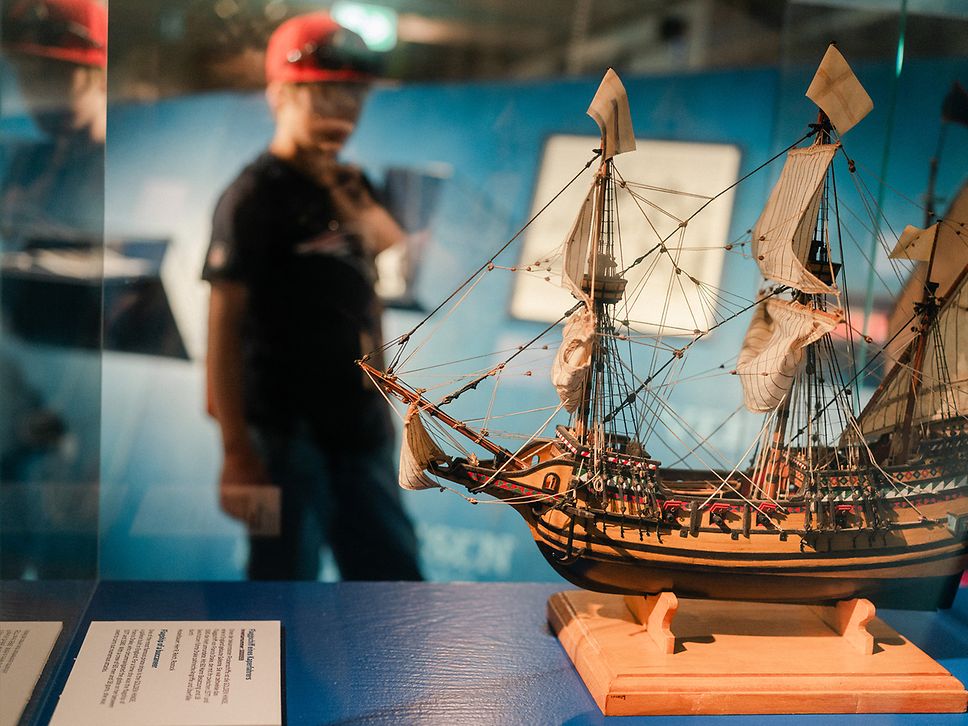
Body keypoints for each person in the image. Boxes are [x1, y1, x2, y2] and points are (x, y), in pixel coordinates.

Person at [203, 12, 422, 581]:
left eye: (351, 96)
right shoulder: (252, 197)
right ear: (280, 95)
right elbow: (222, 329)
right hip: (280, 435)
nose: (340, 111)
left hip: (358, 425)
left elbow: (389, 265)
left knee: (391, 578)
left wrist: (350, 204)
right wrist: (235, 452)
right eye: (321, 95)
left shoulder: (353, 186)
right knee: (280, 582)